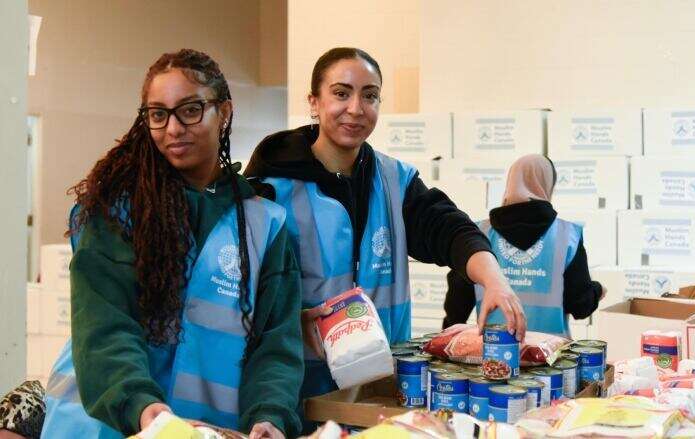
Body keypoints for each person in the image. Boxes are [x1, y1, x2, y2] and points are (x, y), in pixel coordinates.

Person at [243, 47, 526, 424]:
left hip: (380, 392)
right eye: (341, 93)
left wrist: (494, 280)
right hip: (298, 395)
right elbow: (243, 295)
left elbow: (451, 229)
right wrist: (292, 319)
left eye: (370, 95)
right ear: (314, 102)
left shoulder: (395, 181)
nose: (356, 108)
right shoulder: (268, 190)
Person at [39, 49, 303, 439]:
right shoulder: (118, 211)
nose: (173, 128)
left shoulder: (264, 223)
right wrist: (143, 407)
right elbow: (106, 326)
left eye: (190, 110)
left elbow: (276, 346)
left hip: (203, 430)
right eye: (158, 114)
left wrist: (269, 415)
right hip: (108, 425)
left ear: (224, 112)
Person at [443, 154, 605, 336]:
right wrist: (598, 290)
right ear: (547, 185)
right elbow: (580, 306)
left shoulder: (478, 234)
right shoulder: (567, 235)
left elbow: (457, 304)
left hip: (495, 355)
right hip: (549, 357)